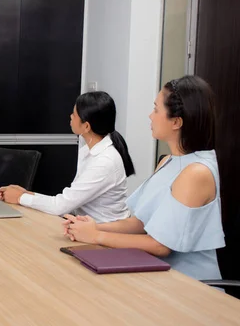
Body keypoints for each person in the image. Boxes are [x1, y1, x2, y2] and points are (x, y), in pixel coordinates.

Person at [64, 75, 224, 281]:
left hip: (189, 283)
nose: (150, 116)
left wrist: (96, 236)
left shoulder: (197, 172)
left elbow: (160, 245)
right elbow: (141, 223)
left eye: (156, 109)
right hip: (154, 270)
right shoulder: (167, 161)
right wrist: (92, 226)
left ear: (176, 122)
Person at [0, 91, 135, 223]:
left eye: (74, 115)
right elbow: (69, 201)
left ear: (86, 126)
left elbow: (60, 206)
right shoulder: (89, 146)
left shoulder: (105, 161)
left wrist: (20, 198)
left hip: (103, 235)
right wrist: (27, 194)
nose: (70, 116)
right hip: (85, 227)